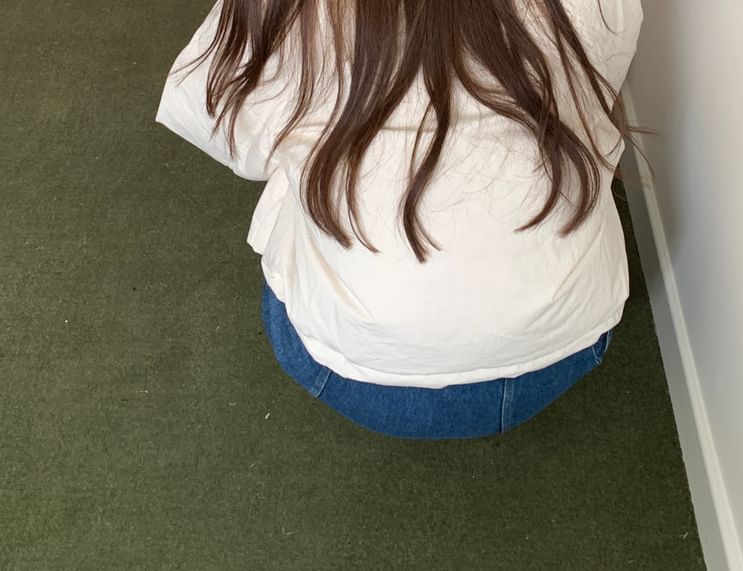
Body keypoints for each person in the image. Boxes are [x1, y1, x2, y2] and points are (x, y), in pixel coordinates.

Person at [156, 0, 644, 439]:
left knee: (295, 172)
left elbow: (217, 124)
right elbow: (602, 85)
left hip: (349, 375)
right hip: (567, 351)